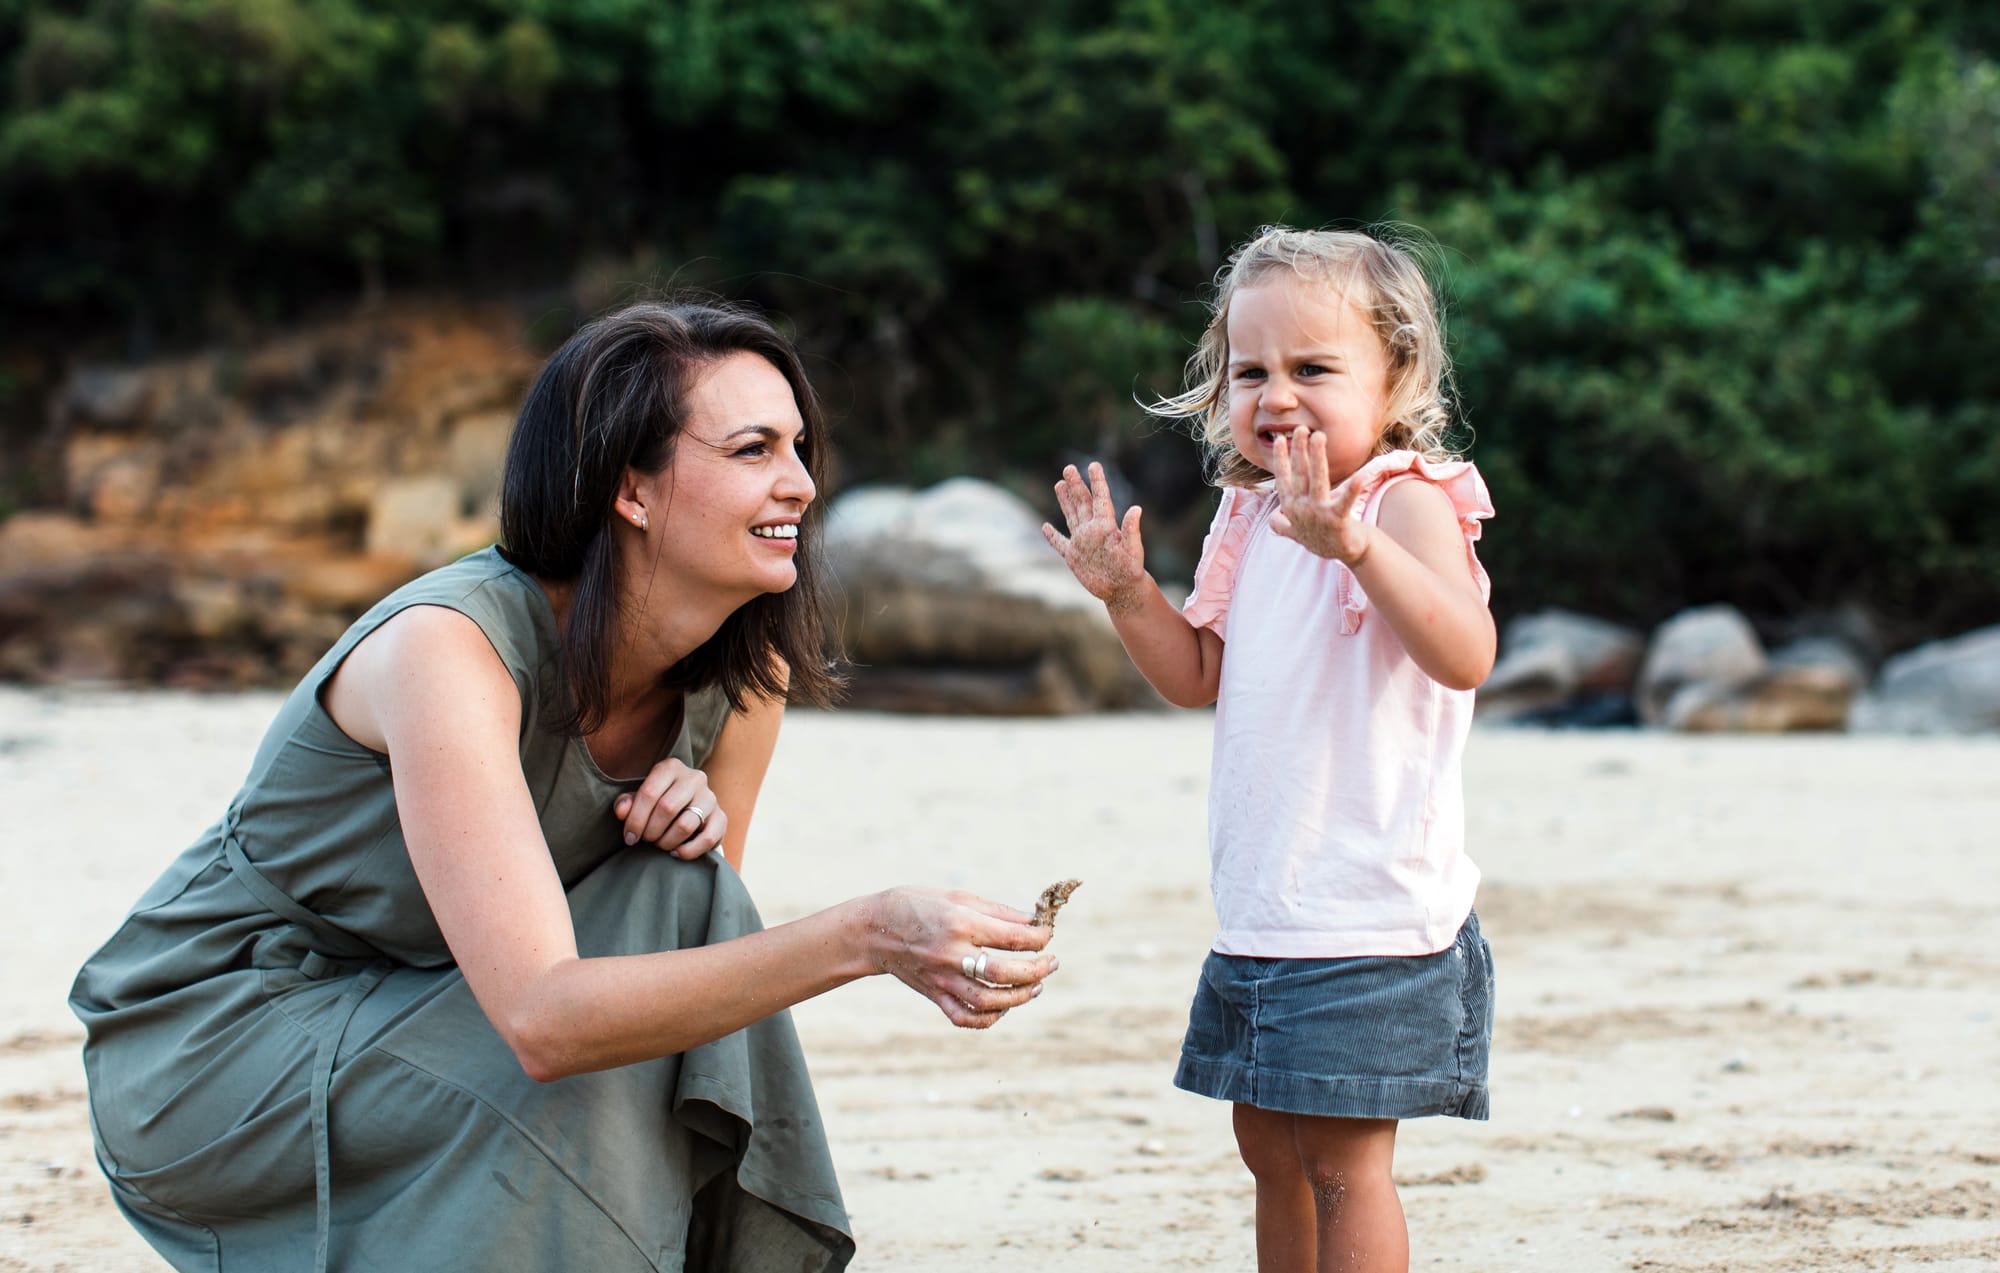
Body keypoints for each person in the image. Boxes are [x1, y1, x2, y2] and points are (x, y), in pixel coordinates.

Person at [70, 300, 1060, 1273]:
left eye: (800, 448)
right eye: (753, 449)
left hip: (428, 1006)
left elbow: (689, 989)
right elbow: (547, 1021)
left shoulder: (741, 678)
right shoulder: (449, 649)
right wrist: (871, 932)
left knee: (689, 887)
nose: (800, 483)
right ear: (630, 488)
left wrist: (689, 840)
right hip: (222, 1040)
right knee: (581, 1054)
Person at [1041, 226, 1497, 1273]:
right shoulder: (1247, 514)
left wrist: (1359, 548)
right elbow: (1198, 673)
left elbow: (1464, 652)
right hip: (1265, 907)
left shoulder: (1405, 501)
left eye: (1312, 368)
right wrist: (1126, 592)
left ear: (1395, 377)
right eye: (1251, 370)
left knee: (1340, 1160)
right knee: (1267, 1146)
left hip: (1370, 911)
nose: (1275, 395)